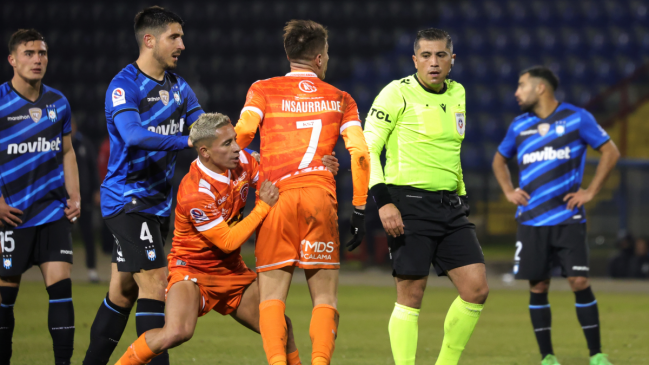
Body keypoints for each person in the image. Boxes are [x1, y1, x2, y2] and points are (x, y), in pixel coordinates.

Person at [114, 113, 302, 364]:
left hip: (231, 270)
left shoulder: (243, 161)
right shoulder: (195, 191)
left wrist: (317, 167)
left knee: (280, 327)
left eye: (234, 139)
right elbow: (228, 241)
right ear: (205, 151)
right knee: (177, 332)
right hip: (193, 270)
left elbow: (274, 184)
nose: (237, 147)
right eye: (227, 144)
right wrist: (262, 208)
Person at [234, 20, 370, 365]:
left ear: (288, 54)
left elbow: (242, 135)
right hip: (318, 200)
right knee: (324, 298)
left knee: (272, 298)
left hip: (273, 199)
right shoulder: (341, 99)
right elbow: (361, 154)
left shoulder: (263, 89)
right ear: (320, 58)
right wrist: (359, 208)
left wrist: (237, 181)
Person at [83, 7, 203, 365]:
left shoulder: (180, 89)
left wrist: (244, 141)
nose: (182, 44)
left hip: (155, 205)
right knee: (155, 282)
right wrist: (187, 142)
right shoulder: (124, 85)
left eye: (181, 36)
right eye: (174, 37)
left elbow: (206, 128)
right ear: (149, 40)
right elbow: (133, 135)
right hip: (126, 200)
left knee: (122, 291)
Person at [364, 28, 487, 365]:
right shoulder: (395, 93)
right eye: (427, 56)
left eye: (441, 55)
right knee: (411, 295)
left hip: (450, 207)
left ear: (452, 60)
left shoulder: (458, 93)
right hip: (408, 205)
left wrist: (461, 193)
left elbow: (452, 151)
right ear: (414, 60)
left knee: (476, 289)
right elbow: (367, 148)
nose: (434, 63)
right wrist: (383, 201)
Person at [492, 66, 620, 365]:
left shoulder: (577, 118)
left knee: (578, 281)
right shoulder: (518, 125)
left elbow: (611, 152)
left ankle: (597, 354)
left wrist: (590, 191)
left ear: (541, 88)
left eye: (521, 86)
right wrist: (509, 190)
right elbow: (499, 160)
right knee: (538, 286)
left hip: (568, 218)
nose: (516, 92)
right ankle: (547, 357)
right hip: (531, 220)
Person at [0, 29, 81, 365]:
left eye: (42, 53)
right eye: (29, 53)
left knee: (61, 291)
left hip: (51, 212)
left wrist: (74, 194)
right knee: (6, 300)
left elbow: (67, 151)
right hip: (12, 215)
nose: (37, 59)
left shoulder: (57, 102)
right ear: (13, 59)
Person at [71, 117, 100, 282]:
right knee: (62, 235)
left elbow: (93, 168)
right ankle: (60, 270)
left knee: (88, 234)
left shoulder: (84, 144)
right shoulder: (57, 144)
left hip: (85, 196)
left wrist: (97, 190)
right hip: (65, 198)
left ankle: (92, 270)